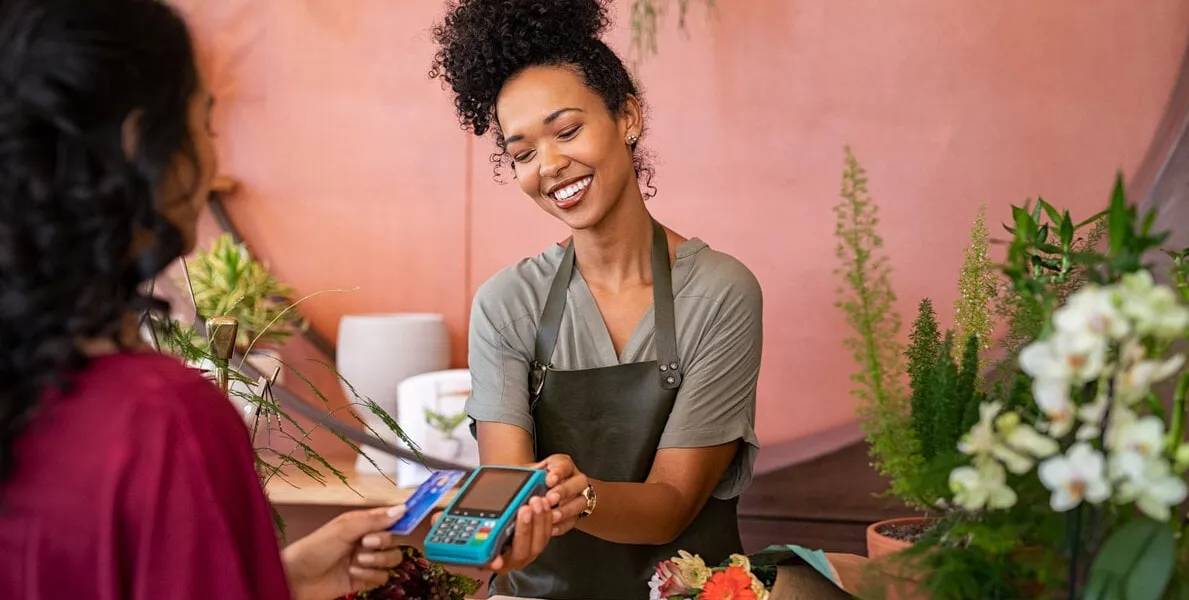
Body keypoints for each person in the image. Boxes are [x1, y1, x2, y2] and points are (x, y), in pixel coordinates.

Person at [0, 1, 410, 598]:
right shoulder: (165, 420)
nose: (213, 155)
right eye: (205, 124)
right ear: (140, 144)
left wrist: (279, 581)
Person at [429, 0, 764, 597]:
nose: (551, 165)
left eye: (567, 131)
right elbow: (509, 495)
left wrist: (579, 495)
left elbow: (672, 503)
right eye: (523, 153)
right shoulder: (507, 304)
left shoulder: (719, 292)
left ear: (627, 117)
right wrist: (510, 525)